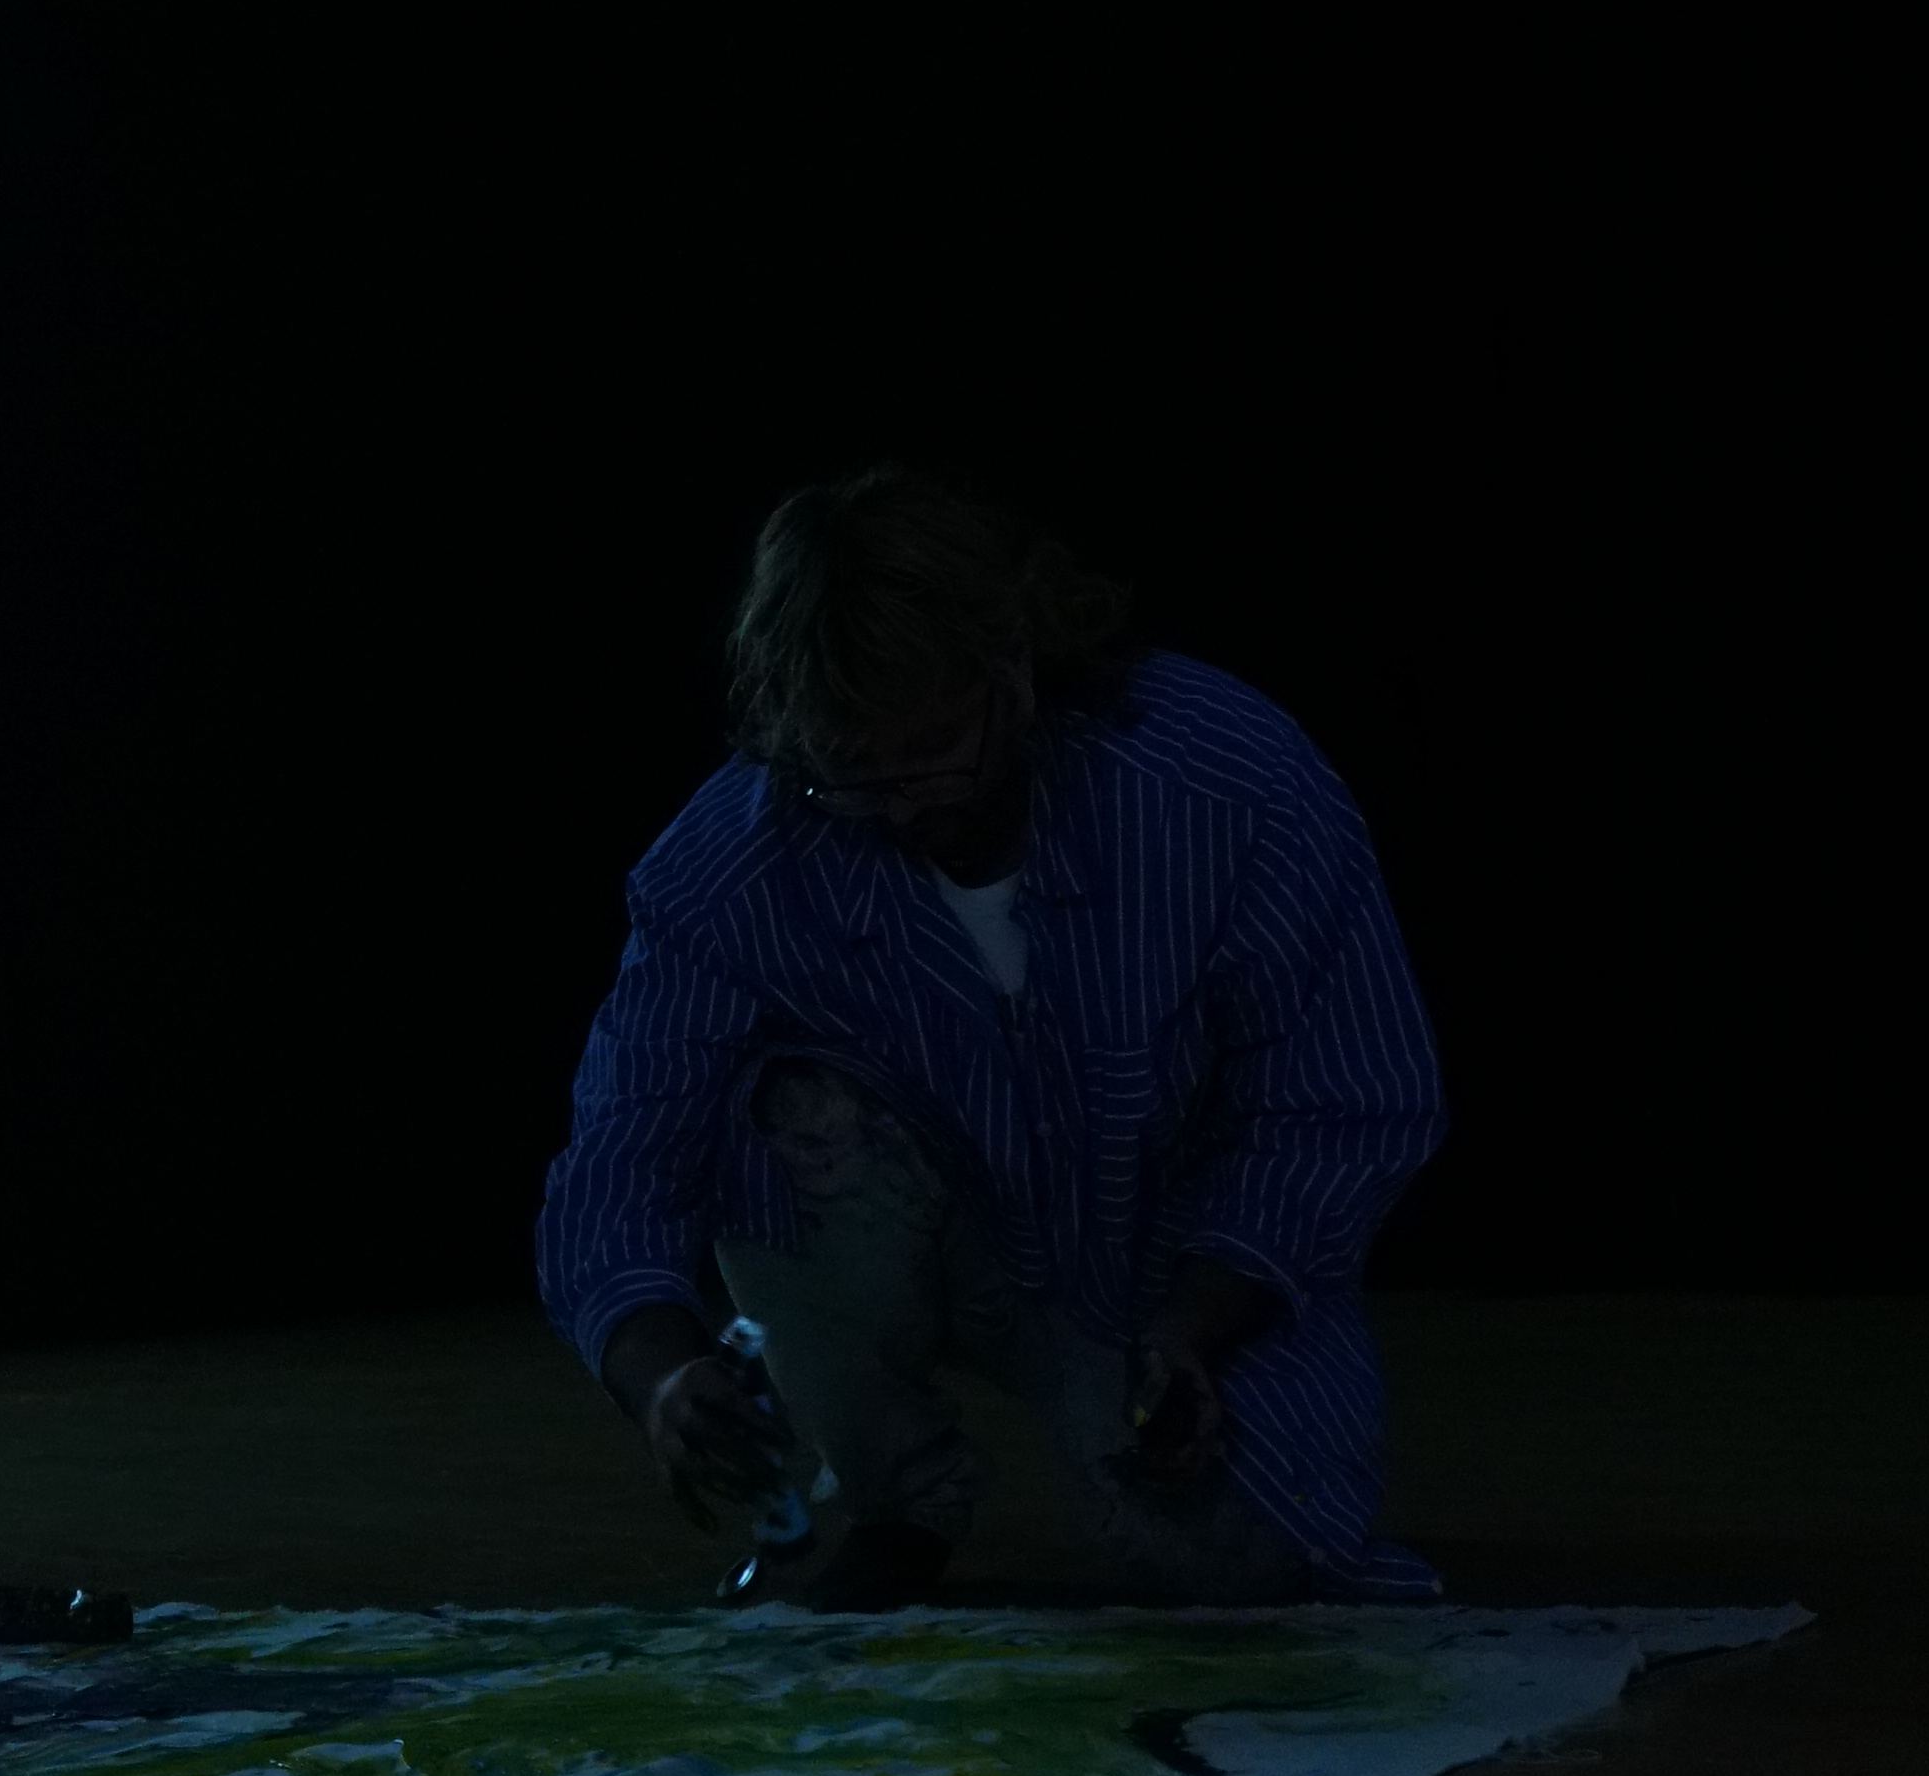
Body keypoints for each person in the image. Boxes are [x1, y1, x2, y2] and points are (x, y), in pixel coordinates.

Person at [538, 467, 1446, 1609]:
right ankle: (892, 1496)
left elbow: (1342, 1102)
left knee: (1252, 1564)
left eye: (931, 749)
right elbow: (620, 1152)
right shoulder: (728, 866)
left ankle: (1163, 1396)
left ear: (1013, 665)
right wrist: (661, 1373)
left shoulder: (1229, 783)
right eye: (850, 775)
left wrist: (1199, 1323)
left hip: (1163, 1252)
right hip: (904, 1220)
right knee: (782, 1109)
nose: (904, 807)